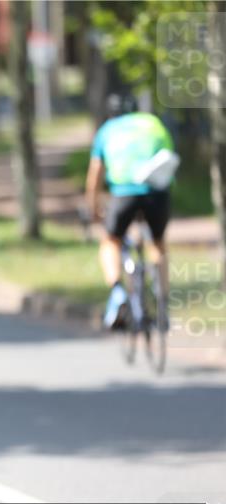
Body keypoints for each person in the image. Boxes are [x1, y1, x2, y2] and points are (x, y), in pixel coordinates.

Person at [85, 93, 176, 329]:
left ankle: (117, 292)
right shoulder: (153, 123)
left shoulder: (108, 129)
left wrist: (93, 208)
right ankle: (163, 302)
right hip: (157, 191)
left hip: (124, 193)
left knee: (111, 241)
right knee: (157, 243)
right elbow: (169, 159)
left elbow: (95, 174)